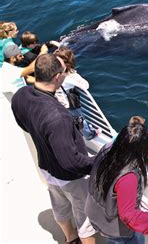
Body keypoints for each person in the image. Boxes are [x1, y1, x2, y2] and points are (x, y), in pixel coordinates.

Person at [11, 53, 97, 244]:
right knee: (85, 219)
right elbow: (72, 163)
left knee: (59, 206)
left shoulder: (21, 95)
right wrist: (100, 161)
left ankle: (70, 238)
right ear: (57, 77)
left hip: (46, 168)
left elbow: (22, 123)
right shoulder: (59, 116)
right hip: (69, 178)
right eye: (64, 73)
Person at [86, 121, 148, 243]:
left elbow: (129, 145)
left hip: (94, 211)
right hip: (112, 226)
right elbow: (129, 216)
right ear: (142, 148)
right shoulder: (128, 177)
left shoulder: (107, 149)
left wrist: (147, 137)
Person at [54, 46, 98, 140]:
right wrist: (73, 73)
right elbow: (86, 85)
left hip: (57, 100)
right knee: (80, 118)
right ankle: (89, 135)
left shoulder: (53, 72)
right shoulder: (70, 77)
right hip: (69, 103)